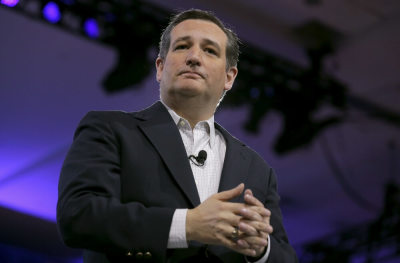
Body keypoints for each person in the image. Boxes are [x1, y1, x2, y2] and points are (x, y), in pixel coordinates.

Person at [57, 9, 298, 263]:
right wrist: (187, 225)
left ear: (229, 77)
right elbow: (78, 216)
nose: (194, 57)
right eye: (182, 47)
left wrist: (260, 249)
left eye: (210, 51)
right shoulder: (110, 130)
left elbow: (285, 257)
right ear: (160, 68)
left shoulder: (257, 170)